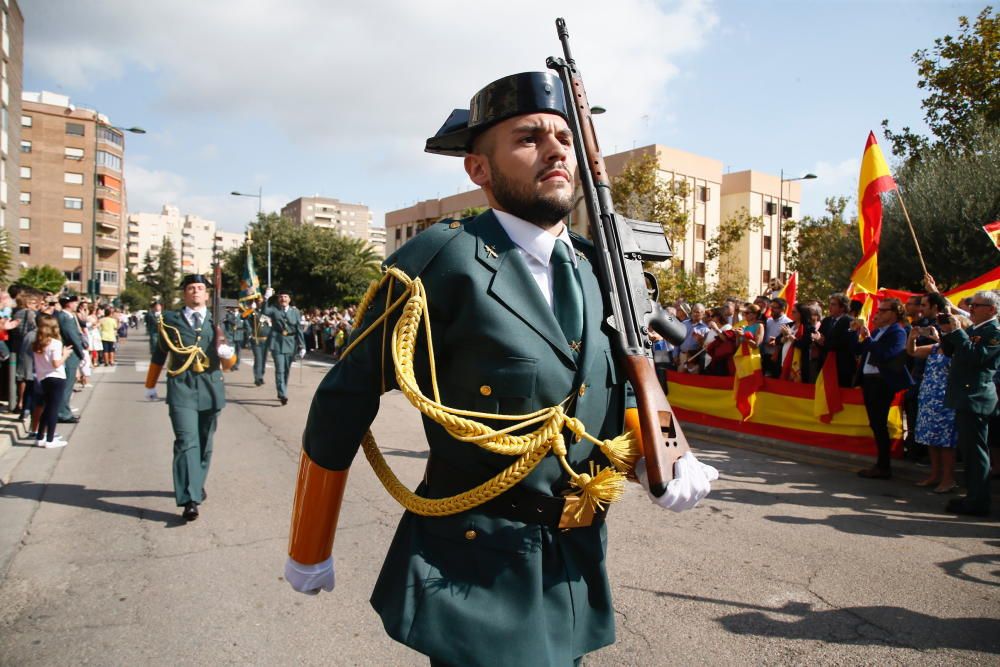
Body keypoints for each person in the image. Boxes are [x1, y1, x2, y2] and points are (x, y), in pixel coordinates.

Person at [282, 71, 717, 666]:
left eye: (564, 136)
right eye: (528, 137)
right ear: (478, 169)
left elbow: (609, 392)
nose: (555, 148)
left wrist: (661, 458)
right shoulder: (441, 260)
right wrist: (309, 542)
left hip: (572, 567)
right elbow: (343, 398)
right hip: (472, 569)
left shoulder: (599, 271)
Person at [143, 275, 236, 521]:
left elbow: (228, 361)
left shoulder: (218, 320)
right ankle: (189, 499)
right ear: (184, 294)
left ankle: (196, 482)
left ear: (207, 295)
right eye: (191, 288)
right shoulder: (170, 320)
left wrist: (228, 355)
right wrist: (150, 384)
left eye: (200, 288)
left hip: (210, 388)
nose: (195, 292)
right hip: (181, 387)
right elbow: (159, 354)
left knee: (205, 443)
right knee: (186, 442)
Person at [938, 291, 1000, 517]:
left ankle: (978, 501)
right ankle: (973, 495)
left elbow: (977, 358)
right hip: (964, 397)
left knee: (976, 453)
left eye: (976, 306)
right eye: (971, 306)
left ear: (991, 310)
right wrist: (947, 332)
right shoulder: (974, 329)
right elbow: (951, 351)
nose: (970, 309)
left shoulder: (994, 332)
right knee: (970, 452)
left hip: (976, 397)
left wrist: (957, 332)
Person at [853, 297, 913, 479]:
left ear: (894, 313)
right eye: (879, 310)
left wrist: (869, 340)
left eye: (883, 310)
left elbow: (887, 355)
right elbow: (861, 349)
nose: (878, 313)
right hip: (870, 381)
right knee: (875, 423)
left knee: (879, 424)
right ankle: (880, 464)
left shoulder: (897, 332)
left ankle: (884, 466)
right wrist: (858, 335)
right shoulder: (878, 331)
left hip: (881, 383)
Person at [906, 324, 958, 493]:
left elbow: (959, 360)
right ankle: (934, 475)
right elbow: (912, 351)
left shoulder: (959, 348)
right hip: (929, 397)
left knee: (945, 442)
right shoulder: (936, 348)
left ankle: (948, 479)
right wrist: (912, 337)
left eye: (947, 330)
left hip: (946, 399)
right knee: (931, 439)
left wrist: (939, 338)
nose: (943, 332)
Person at [32, 314, 73, 448]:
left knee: (47, 407)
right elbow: (56, 363)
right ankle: (50, 439)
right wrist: (65, 355)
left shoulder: (37, 343)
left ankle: (40, 437)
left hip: (43, 377)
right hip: (56, 377)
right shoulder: (55, 343)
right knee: (53, 409)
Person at [263, 289, 305, 405]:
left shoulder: (295, 312)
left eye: (285, 297)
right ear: (278, 299)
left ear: (289, 299)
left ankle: (282, 389)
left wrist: (302, 346)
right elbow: (265, 311)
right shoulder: (274, 310)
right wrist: (266, 298)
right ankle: (282, 393)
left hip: (291, 343)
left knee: (286, 369)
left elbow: (298, 329)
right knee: (280, 369)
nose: (283, 299)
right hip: (277, 342)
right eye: (281, 297)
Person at [55, 295, 86, 424]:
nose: (76, 305)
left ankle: (64, 411)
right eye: (74, 303)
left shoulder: (67, 316)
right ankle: (63, 413)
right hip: (70, 353)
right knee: (67, 384)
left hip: (70, 352)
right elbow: (72, 336)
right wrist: (81, 352)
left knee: (69, 383)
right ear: (68, 304)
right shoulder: (65, 317)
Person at [815, 293, 857, 387]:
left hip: (842, 367)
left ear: (842, 307)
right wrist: (817, 340)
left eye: (833, 304)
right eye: (830, 304)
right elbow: (819, 336)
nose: (830, 307)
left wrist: (824, 342)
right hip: (825, 363)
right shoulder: (827, 320)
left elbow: (846, 343)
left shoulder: (851, 321)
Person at [762, 297, 792, 378]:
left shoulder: (788, 322)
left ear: (783, 308)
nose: (772, 310)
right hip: (764, 356)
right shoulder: (768, 321)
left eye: (775, 308)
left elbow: (788, 341)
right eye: (771, 307)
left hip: (777, 357)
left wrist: (776, 342)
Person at [245, 299, 270, 387]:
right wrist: (250, 309)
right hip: (256, 339)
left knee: (263, 359)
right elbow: (244, 318)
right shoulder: (253, 312)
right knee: (258, 358)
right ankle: (257, 377)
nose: (260, 303)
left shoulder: (267, 313)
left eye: (261, 301)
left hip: (266, 340)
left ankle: (261, 375)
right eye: (258, 301)